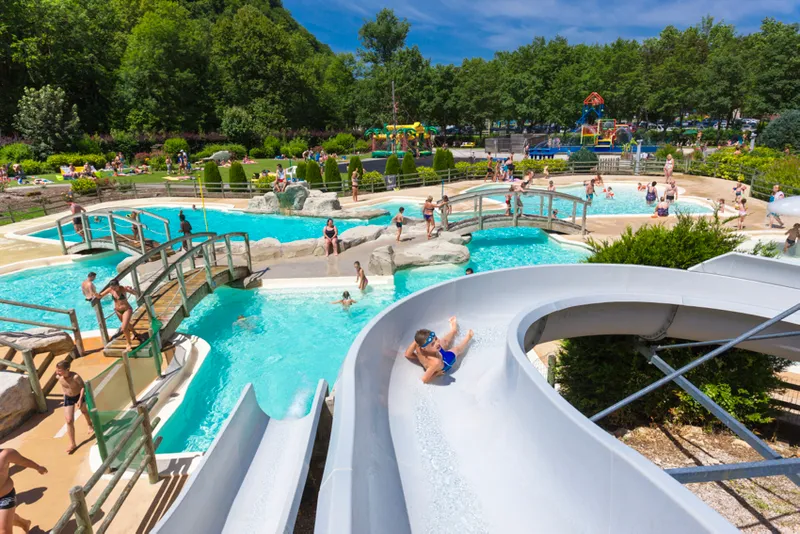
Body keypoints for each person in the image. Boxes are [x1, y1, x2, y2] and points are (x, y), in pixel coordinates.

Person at [404, 317, 475, 384]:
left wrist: (418, 356)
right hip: (445, 362)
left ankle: (453, 331)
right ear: (423, 348)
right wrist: (436, 374)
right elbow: (424, 380)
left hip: (433, 352)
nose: (437, 343)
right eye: (432, 344)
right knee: (456, 350)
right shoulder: (435, 362)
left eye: (436, 338)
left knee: (444, 341)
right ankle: (468, 338)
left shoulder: (419, 344)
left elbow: (407, 354)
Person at [0, 448, 47, 533]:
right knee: (6, 517)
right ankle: (24, 523)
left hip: (5, 497)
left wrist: (38, 467)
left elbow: (23, 461)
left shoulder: (6, 454)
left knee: (4, 531)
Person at [55, 360, 94, 453]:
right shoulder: (58, 376)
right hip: (68, 398)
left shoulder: (75, 377)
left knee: (84, 411)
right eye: (57, 370)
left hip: (78, 396)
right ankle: (72, 443)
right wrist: (64, 393)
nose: (57, 372)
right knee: (69, 420)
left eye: (60, 370)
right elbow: (64, 385)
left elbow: (83, 387)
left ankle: (89, 424)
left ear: (67, 369)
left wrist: (80, 399)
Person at [99, 279, 140, 352]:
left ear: (118, 285)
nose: (113, 289)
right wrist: (95, 295)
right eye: (112, 288)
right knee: (126, 324)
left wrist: (131, 290)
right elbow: (100, 296)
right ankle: (135, 333)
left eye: (114, 288)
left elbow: (136, 293)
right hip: (118, 311)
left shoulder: (123, 288)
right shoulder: (110, 289)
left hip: (127, 309)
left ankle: (129, 343)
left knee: (123, 328)